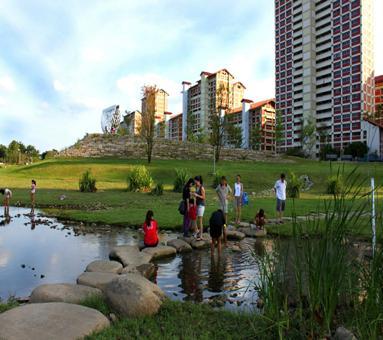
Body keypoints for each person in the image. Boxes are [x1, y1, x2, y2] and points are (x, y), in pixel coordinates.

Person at [216, 176, 232, 243]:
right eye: (222, 180)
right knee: (220, 214)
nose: (223, 182)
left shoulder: (227, 186)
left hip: (225, 202)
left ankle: (225, 224)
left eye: (224, 181)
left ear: (225, 181)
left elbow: (231, 191)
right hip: (220, 203)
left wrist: (228, 196)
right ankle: (220, 223)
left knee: (225, 214)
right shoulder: (219, 186)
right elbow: (216, 191)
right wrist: (219, 196)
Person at [193, 176, 206, 240]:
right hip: (197, 205)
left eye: (195, 181)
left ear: (198, 181)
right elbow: (195, 196)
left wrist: (197, 195)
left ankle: (201, 236)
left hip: (201, 205)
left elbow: (204, 197)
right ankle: (197, 232)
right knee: (195, 219)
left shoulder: (202, 188)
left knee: (200, 220)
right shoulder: (196, 187)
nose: (194, 182)